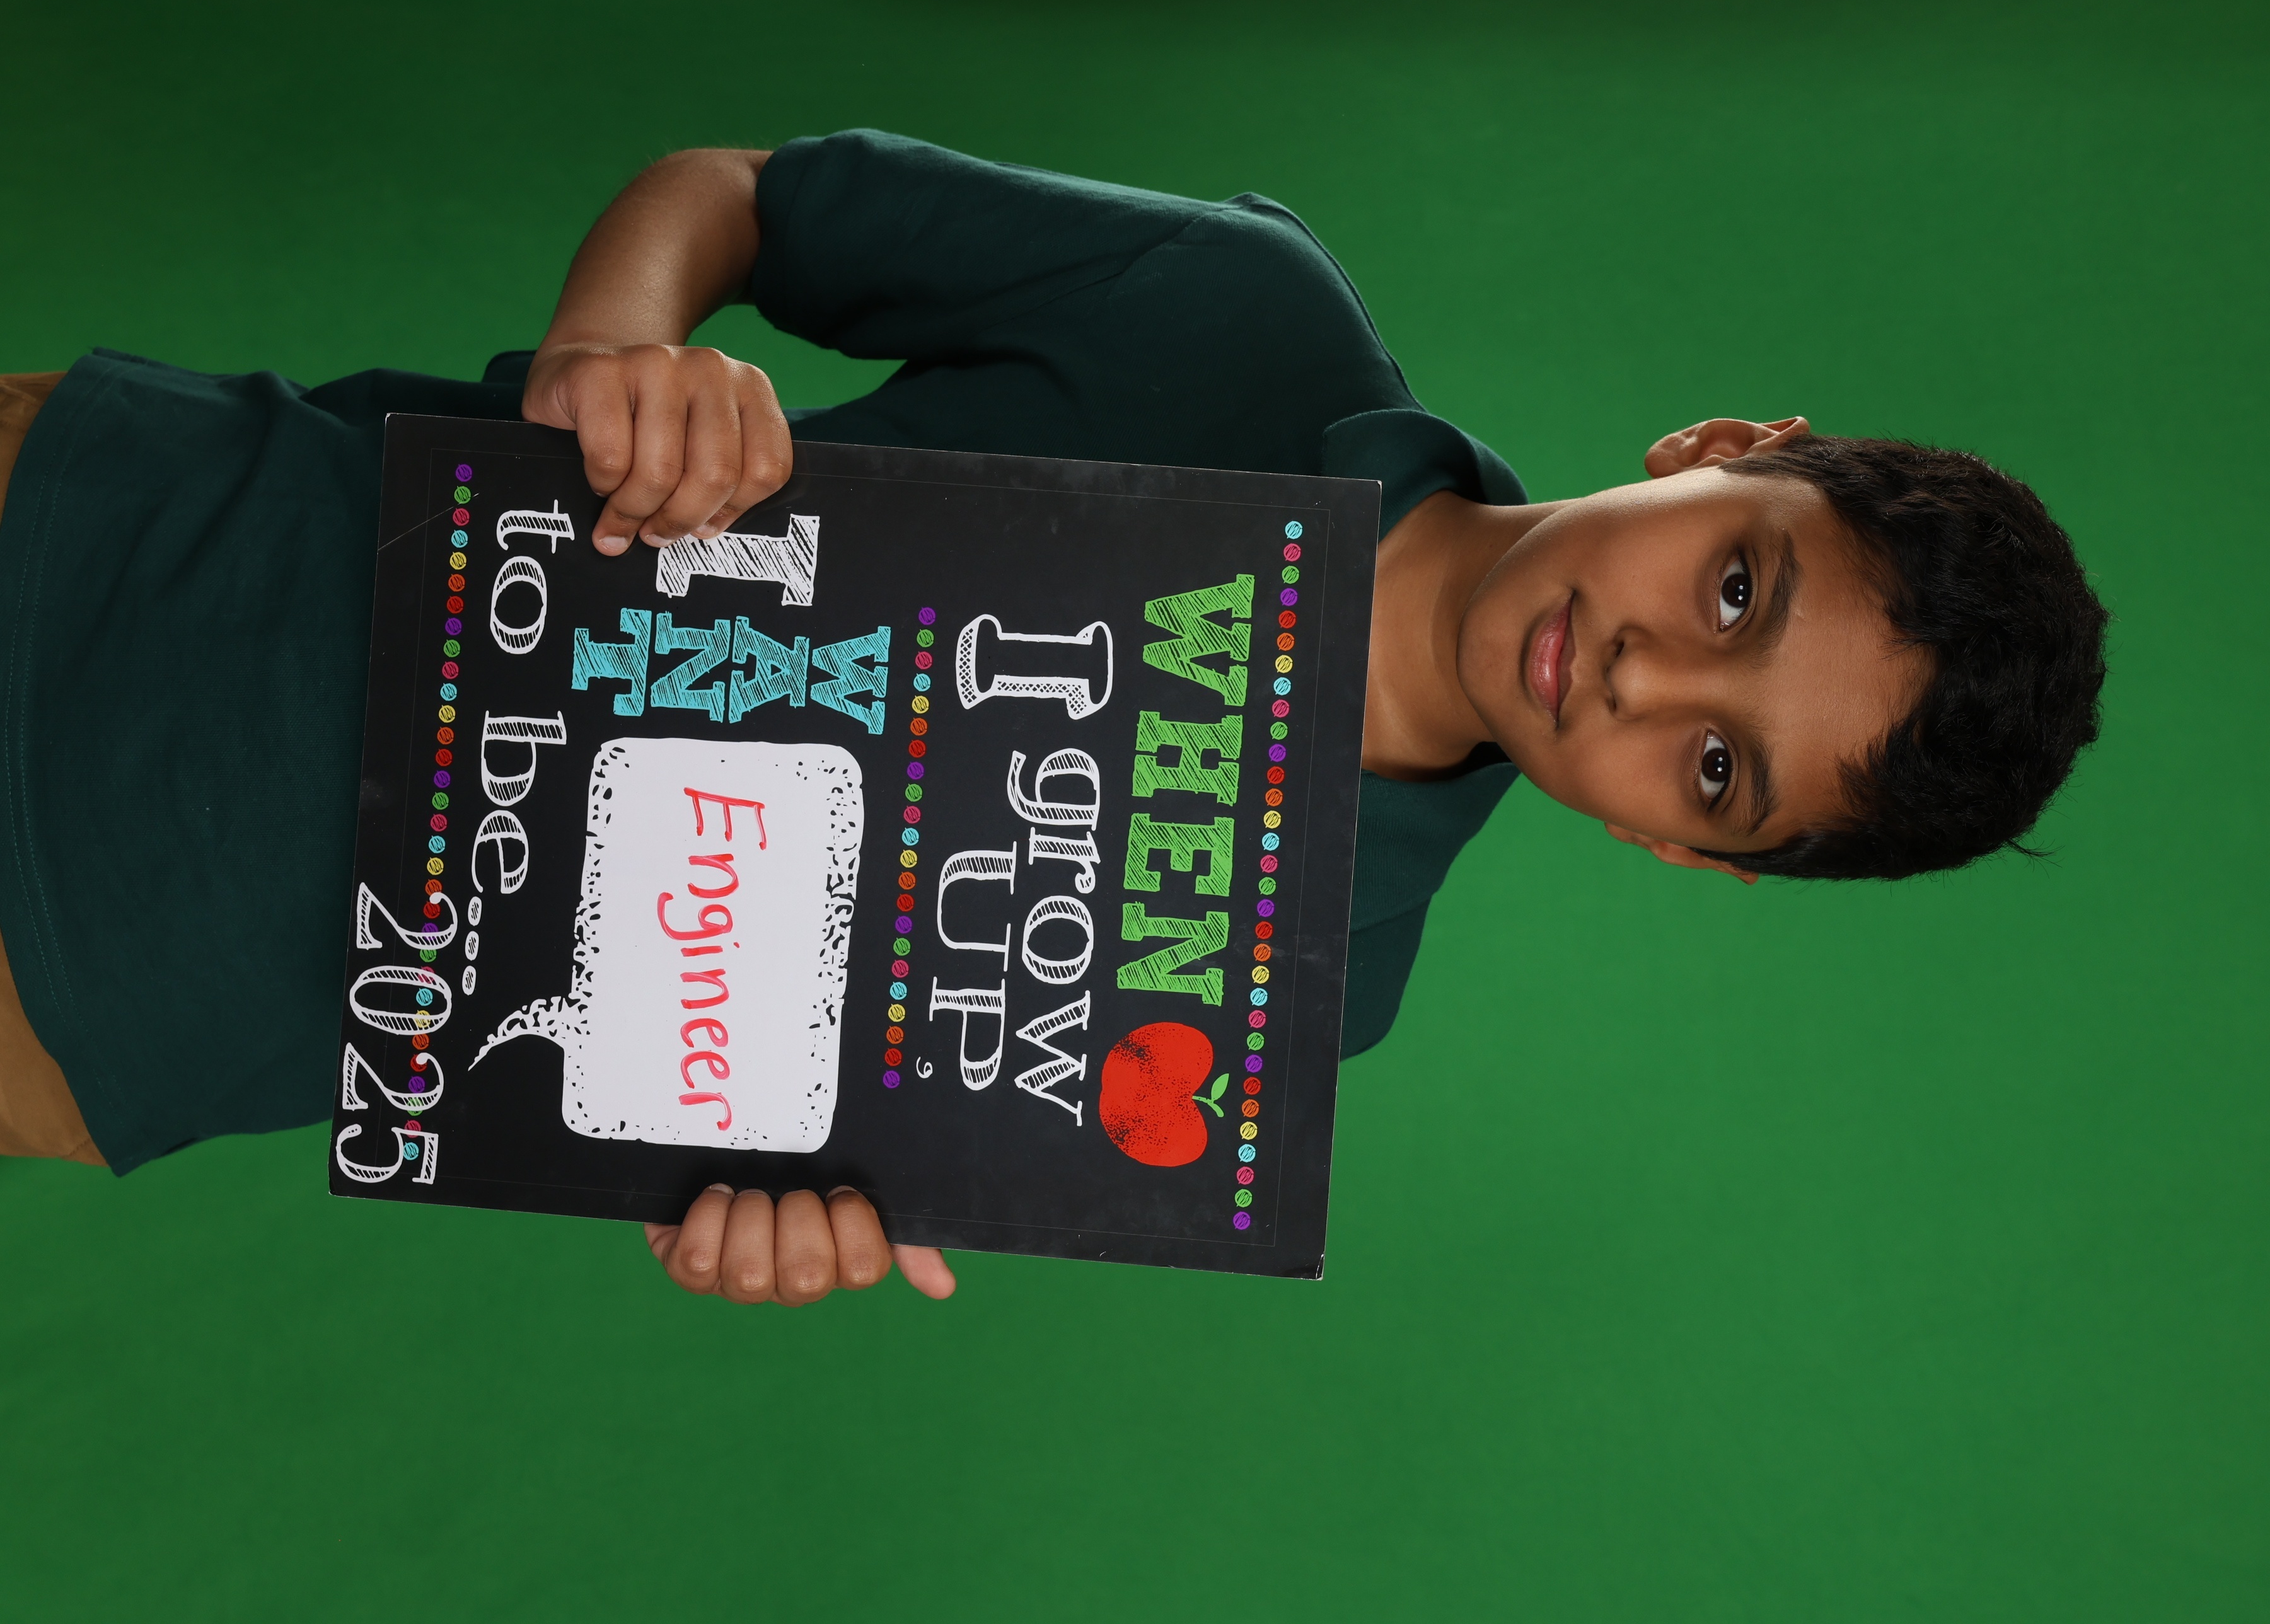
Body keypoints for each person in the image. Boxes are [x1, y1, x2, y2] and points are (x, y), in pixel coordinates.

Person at [0, 133, 2108, 1307]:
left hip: (146, 1000)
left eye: (1718, 769)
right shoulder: (1241, 317)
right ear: (1727, 449)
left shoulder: (1309, 1002)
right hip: (160, 540)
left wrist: (767, 1207)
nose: (1648, 676)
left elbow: (691, 1071)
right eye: (1736, 586)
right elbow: (741, 196)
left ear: (1676, 845)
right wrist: (618, 351)